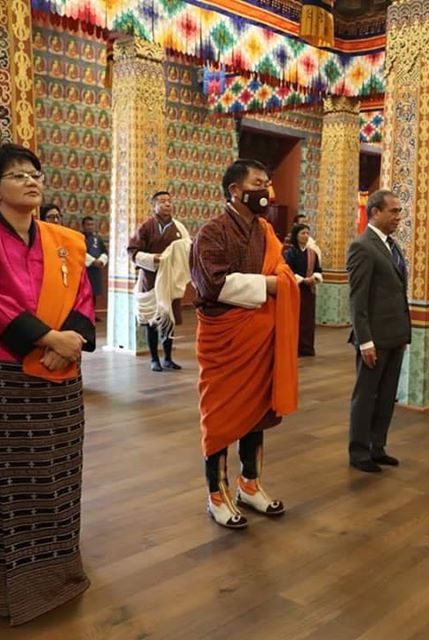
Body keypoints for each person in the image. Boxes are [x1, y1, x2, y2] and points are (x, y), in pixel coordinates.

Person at [0, 143, 95, 625]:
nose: (32, 181)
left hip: (59, 377)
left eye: (35, 174)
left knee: (56, 477)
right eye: (17, 175)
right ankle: (0, 588)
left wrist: (66, 344)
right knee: (0, 484)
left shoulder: (64, 241)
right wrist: (48, 338)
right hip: (0, 379)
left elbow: (83, 296)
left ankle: (58, 571)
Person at [190, 159, 299, 529]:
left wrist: (279, 280)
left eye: (267, 183)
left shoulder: (265, 231)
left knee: (255, 411)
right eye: (258, 183)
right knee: (221, 415)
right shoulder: (212, 232)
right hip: (224, 338)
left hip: (259, 336)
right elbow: (212, 286)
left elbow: (282, 268)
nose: (265, 190)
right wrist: (270, 285)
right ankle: (216, 494)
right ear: (235, 190)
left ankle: (249, 484)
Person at [347, 189, 411, 473]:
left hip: (395, 335)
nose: (399, 216)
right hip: (374, 338)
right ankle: (359, 452)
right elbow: (358, 300)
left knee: (386, 396)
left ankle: (378, 447)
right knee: (366, 397)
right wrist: (365, 341)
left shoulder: (391, 245)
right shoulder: (362, 246)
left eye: (399, 211)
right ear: (375, 212)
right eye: (393, 211)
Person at [127, 191, 192, 371]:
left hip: (171, 279)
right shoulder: (146, 227)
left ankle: (168, 358)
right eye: (162, 201)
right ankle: (154, 359)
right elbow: (132, 251)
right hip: (151, 278)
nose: (167, 204)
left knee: (168, 319)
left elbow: (187, 248)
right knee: (152, 321)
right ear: (154, 206)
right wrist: (153, 259)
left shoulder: (179, 228)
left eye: (169, 201)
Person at [283, 223, 323, 356]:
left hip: (309, 291)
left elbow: (318, 270)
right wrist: (303, 280)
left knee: (307, 320)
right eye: (303, 233)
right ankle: (295, 348)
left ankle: (307, 348)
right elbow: (287, 271)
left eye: (307, 233)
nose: (306, 236)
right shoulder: (289, 253)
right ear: (296, 236)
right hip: (295, 289)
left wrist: (314, 278)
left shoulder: (312, 253)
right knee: (295, 319)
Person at [81, 216, 108, 315]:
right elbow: (79, 252)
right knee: (84, 294)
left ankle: (92, 314)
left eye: (92, 225)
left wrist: (101, 261)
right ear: (83, 226)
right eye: (88, 225)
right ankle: (84, 315)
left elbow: (104, 252)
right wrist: (92, 261)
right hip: (84, 271)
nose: (90, 227)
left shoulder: (97, 239)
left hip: (95, 271)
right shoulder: (79, 238)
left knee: (93, 294)